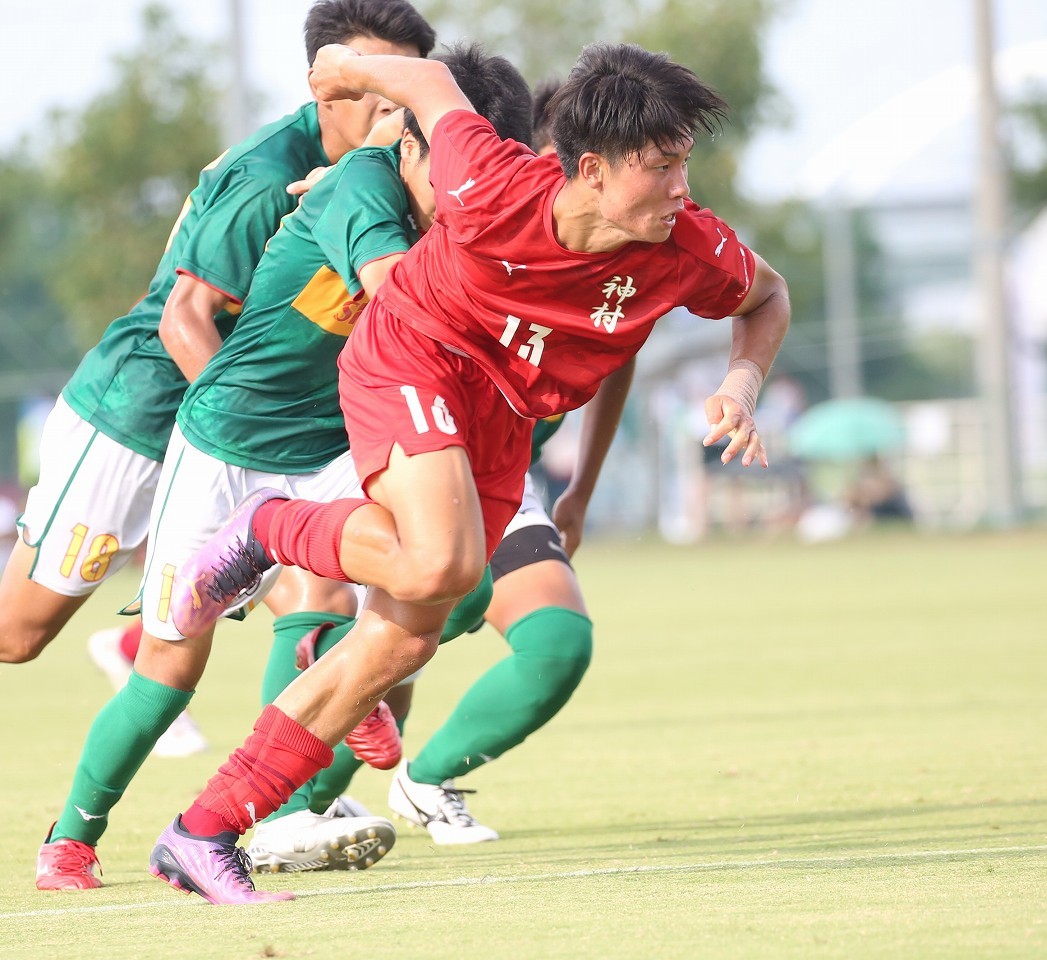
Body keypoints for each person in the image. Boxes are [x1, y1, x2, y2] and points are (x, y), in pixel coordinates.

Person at [148, 41, 790, 906]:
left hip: (501, 418)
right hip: (413, 355)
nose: (682, 186)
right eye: (663, 166)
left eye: (685, 163)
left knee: (402, 641)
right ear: (590, 170)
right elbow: (424, 77)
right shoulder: (490, 179)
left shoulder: (688, 247)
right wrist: (337, 65)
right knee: (442, 566)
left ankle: (205, 831)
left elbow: (767, 297)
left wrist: (741, 384)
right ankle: (269, 527)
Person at [31, 0, 438, 893]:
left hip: (313, 427)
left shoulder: (415, 168)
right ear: (322, 87)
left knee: (386, 573)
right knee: (41, 639)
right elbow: (186, 319)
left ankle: (277, 807)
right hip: (153, 408)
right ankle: (68, 839)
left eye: (402, 89)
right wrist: (246, 442)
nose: (387, 109)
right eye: (366, 89)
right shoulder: (269, 177)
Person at [254, 83, 633, 850]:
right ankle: (291, 807)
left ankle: (424, 780)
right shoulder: (488, 210)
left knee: (552, 640)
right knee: (412, 614)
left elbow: (619, 353)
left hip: (502, 464)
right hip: (412, 442)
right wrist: (349, 182)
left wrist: (582, 492)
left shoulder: (627, 243)